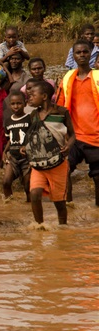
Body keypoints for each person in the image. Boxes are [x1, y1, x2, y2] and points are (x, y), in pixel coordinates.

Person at [24, 82, 76, 225]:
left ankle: (63, 228)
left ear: (45, 96)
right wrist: (25, 147)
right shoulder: (33, 114)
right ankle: (39, 226)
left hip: (58, 163)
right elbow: (32, 135)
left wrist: (68, 146)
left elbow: (72, 135)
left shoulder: (61, 112)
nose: (29, 98)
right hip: (38, 164)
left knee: (59, 202)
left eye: (33, 95)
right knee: (34, 193)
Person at [57, 40, 99, 207]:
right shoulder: (67, 79)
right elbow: (59, 108)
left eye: (85, 52)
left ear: (91, 53)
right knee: (64, 170)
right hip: (74, 137)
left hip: (96, 137)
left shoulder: (96, 77)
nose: (82, 55)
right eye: (78, 52)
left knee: (97, 177)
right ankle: (69, 208)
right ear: (73, 55)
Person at [2, 91, 31, 203]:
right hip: (13, 157)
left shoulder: (29, 119)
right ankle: (9, 204)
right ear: (9, 105)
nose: (16, 106)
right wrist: (5, 151)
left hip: (26, 158)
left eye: (19, 103)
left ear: (25, 103)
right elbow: (10, 139)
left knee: (28, 185)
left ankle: (29, 205)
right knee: (6, 182)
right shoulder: (8, 121)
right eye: (13, 104)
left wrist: (27, 147)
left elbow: (33, 136)